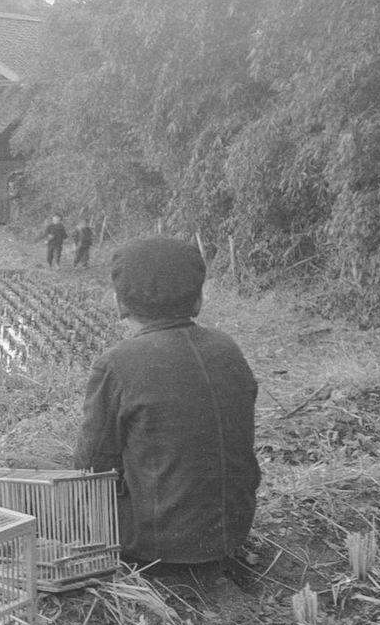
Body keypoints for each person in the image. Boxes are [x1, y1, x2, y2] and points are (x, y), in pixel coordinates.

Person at [74, 237, 260, 565]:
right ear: (198, 301)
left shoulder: (117, 364)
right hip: (234, 528)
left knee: (38, 493)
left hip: (158, 547)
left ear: (120, 303)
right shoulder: (227, 348)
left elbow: (91, 468)